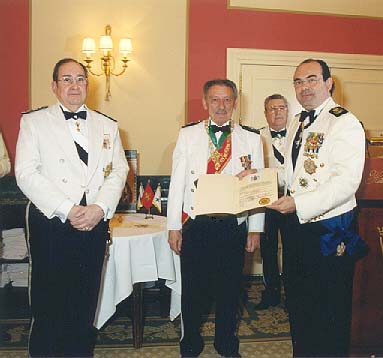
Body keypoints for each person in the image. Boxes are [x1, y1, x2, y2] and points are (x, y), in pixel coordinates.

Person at [15, 58, 128, 357]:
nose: (74, 85)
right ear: (54, 86)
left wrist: (100, 207)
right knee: (49, 301)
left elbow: (119, 170)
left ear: (87, 86)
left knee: (85, 299)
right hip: (52, 221)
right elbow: (26, 172)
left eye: (79, 79)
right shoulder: (34, 122)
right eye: (66, 79)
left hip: (93, 221)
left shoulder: (108, 125)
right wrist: (67, 208)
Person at [268, 59, 366, 357]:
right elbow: (290, 172)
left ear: (328, 83)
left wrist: (299, 203)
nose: (304, 87)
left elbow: (347, 182)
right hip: (297, 227)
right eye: (298, 81)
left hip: (329, 230)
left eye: (311, 79)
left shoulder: (344, 122)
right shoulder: (298, 120)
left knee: (329, 312)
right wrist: (259, 178)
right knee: (299, 304)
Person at [167, 79, 265, 357]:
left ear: (235, 103)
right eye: (215, 100)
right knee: (193, 290)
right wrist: (174, 226)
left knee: (230, 289)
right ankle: (190, 342)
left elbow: (257, 189)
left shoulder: (252, 138)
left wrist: (254, 229)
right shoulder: (188, 135)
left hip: (233, 226)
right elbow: (176, 184)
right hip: (196, 224)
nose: (221, 106)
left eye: (226, 100)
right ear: (205, 102)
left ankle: (226, 342)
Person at [255, 94, 288, 310]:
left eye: (281, 107)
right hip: (267, 199)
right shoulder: (256, 137)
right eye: (272, 109)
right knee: (267, 249)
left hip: (292, 198)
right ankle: (271, 292)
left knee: (294, 247)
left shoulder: (300, 134)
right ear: (265, 113)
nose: (277, 112)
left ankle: (294, 293)